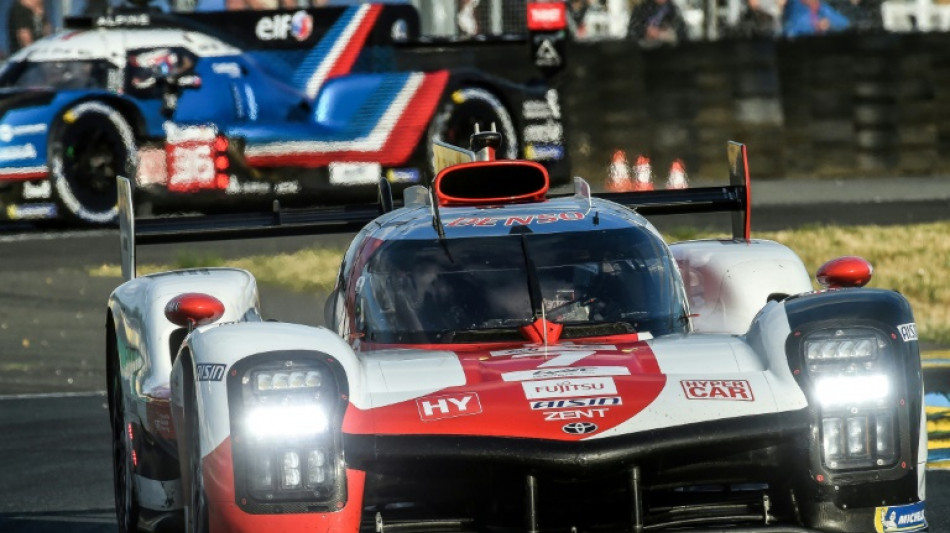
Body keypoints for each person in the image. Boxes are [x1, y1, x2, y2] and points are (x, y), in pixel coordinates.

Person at [782, 0, 850, 36]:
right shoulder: (795, 6)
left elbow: (845, 23)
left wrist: (829, 24)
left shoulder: (822, 6)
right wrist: (815, 27)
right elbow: (790, 30)